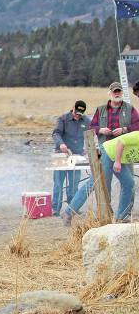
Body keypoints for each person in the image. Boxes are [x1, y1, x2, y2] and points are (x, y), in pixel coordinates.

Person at [64, 82, 139, 222]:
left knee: (128, 183)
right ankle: (70, 211)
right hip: (105, 150)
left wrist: (124, 130)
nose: (117, 93)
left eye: (119, 91)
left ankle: (123, 216)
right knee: (97, 182)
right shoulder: (101, 110)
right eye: (114, 91)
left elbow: (138, 125)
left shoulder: (130, 109)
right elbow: (91, 127)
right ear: (109, 93)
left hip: (123, 151)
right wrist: (100, 130)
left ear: (122, 93)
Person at [51, 100, 90, 216]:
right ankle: (55, 209)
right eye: (76, 112)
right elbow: (56, 133)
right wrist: (61, 144)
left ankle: (72, 207)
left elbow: (91, 135)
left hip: (77, 155)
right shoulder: (63, 118)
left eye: (80, 114)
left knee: (74, 183)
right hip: (61, 154)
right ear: (73, 108)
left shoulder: (86, 121)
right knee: (58, 183)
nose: (78, 115)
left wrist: (88, 148)